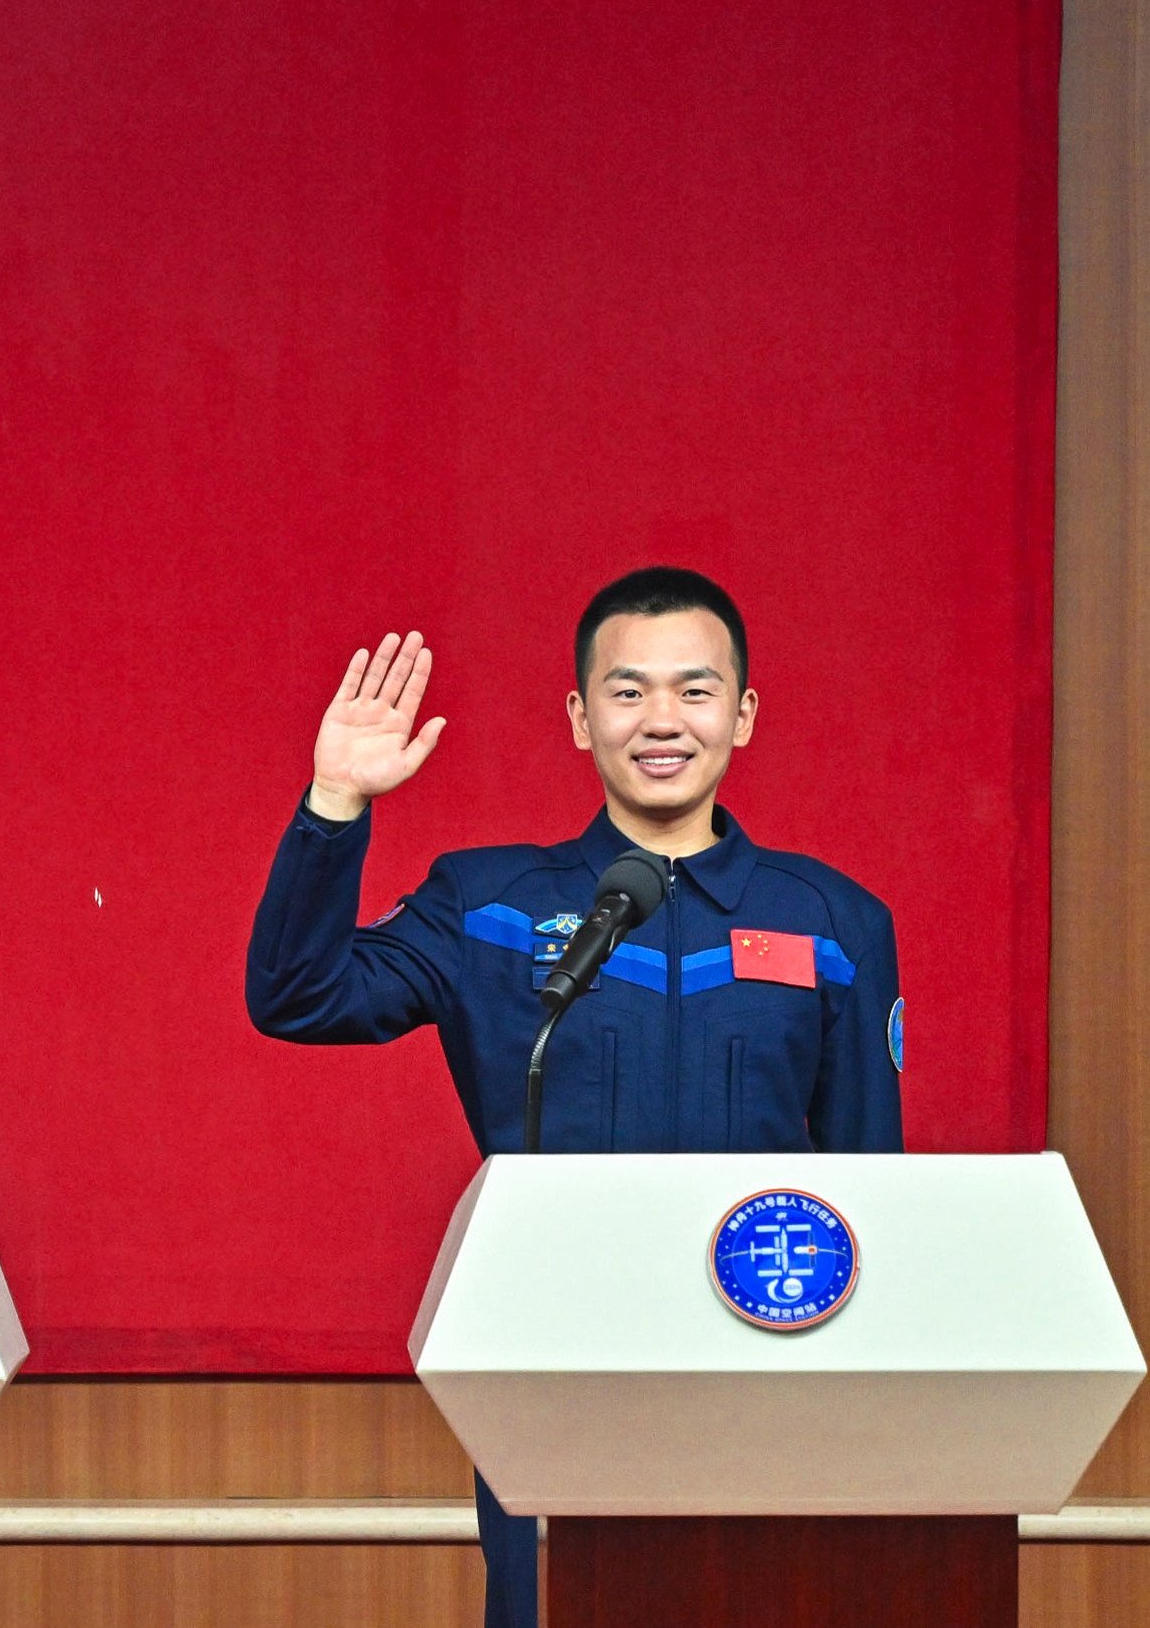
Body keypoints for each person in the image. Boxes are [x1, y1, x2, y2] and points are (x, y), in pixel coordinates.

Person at [246, 568, 902, 1628]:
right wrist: (336, 807)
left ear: (742, 715)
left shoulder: (835, 921)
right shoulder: (492, 904)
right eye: (627, 690)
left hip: (767, 1359)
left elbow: (875, 1184)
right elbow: (298, 997)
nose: (661, 721)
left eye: (694, 692)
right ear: (579, 716)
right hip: (549, 1357)